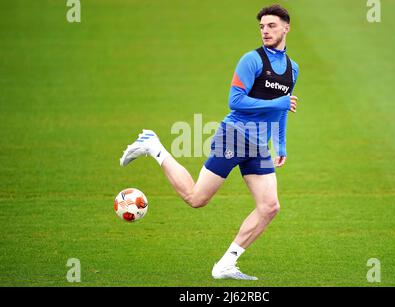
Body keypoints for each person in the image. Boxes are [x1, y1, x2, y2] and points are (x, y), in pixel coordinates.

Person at [120, 4, 299, 280]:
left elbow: (282, 110)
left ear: (286, 28)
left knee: (270, 207)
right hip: (235, 136)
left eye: (271, 26)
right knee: (196, 198)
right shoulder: (251, 60)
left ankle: (226, 264)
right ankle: (153, 146)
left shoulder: (292, 69)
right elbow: (235, 100)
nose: (265, 31)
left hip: (259, 147)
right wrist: (279, 101)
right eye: (262, 26)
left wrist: (282, 145)